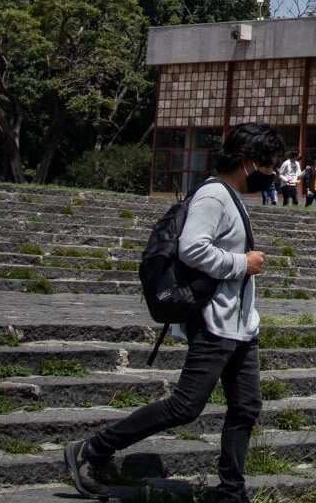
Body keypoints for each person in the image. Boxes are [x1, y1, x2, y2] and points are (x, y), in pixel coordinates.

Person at [65, 122, 281, 503]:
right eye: (268, 165)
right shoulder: (214, 196)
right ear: (248, 162)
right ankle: (93, 449)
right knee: (185, 405)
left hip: (240, 325)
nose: (271, 174)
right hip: (215, 322)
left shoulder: (231, 197)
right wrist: (241, 263)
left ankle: (232, 492)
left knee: (246, 406)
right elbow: (191, 248)